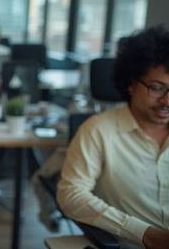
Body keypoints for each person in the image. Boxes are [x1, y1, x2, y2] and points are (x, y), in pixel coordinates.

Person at [57, 25, 169, 249]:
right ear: (131, 84)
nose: (166, 101)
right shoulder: (98, 130)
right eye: (157, 88)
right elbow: (71, 194)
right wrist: (145, 234)